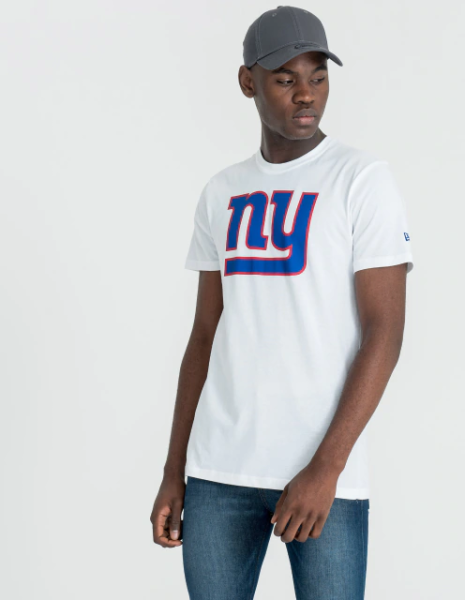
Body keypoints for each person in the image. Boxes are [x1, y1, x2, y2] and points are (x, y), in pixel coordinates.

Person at [150, 5, 414, 599]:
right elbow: (204, 334)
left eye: (318, 77)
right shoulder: (221, 192)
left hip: (322, 475)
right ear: (249, 82)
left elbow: (385, 333)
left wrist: (327, 467)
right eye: (285, 78)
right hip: (218, 473)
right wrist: (174, 472)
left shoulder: (361, 180)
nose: (306, 94)